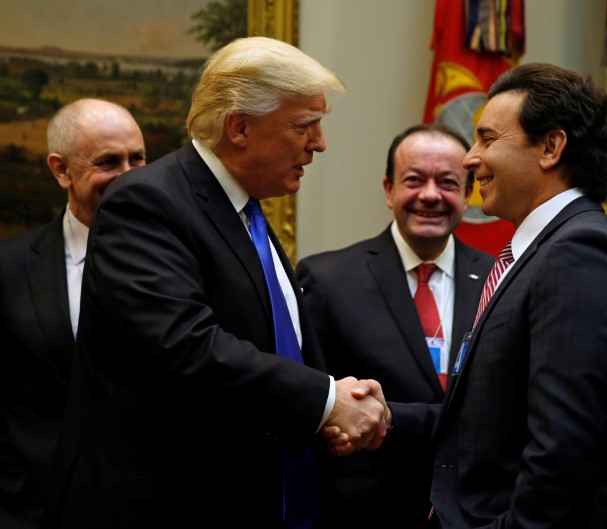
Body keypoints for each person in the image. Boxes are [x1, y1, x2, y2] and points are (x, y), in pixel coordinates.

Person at [39, 37, 388, 529]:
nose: (319, 143)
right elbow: (184, 345)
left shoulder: (243, 211)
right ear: (240, 127)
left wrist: (335, 404)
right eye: (304, 125)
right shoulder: (146, 202)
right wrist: (327, 401)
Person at [346, 62, 607, 528]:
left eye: (487, 139)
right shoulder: (540, 250)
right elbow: (492, 423)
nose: (470, 159)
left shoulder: (581, 254)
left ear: (551, 147)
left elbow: (563, 454)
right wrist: (389, 416)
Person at [296, 123, 494, 528]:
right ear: (388, 190)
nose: (430, 195)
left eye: (448, 182)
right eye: (414, 180)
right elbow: (312, 399)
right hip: (366, 511)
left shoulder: (500, 279)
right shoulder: (327, 278)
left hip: (473, 510)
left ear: (467, 192)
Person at [0, 98, 145, 529]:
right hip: (30, 508)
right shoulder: (9, 268)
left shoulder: (187, 263)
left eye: (137, 158)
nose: (129, 175)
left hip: (146, 508)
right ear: (61, 169)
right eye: (108, 161)